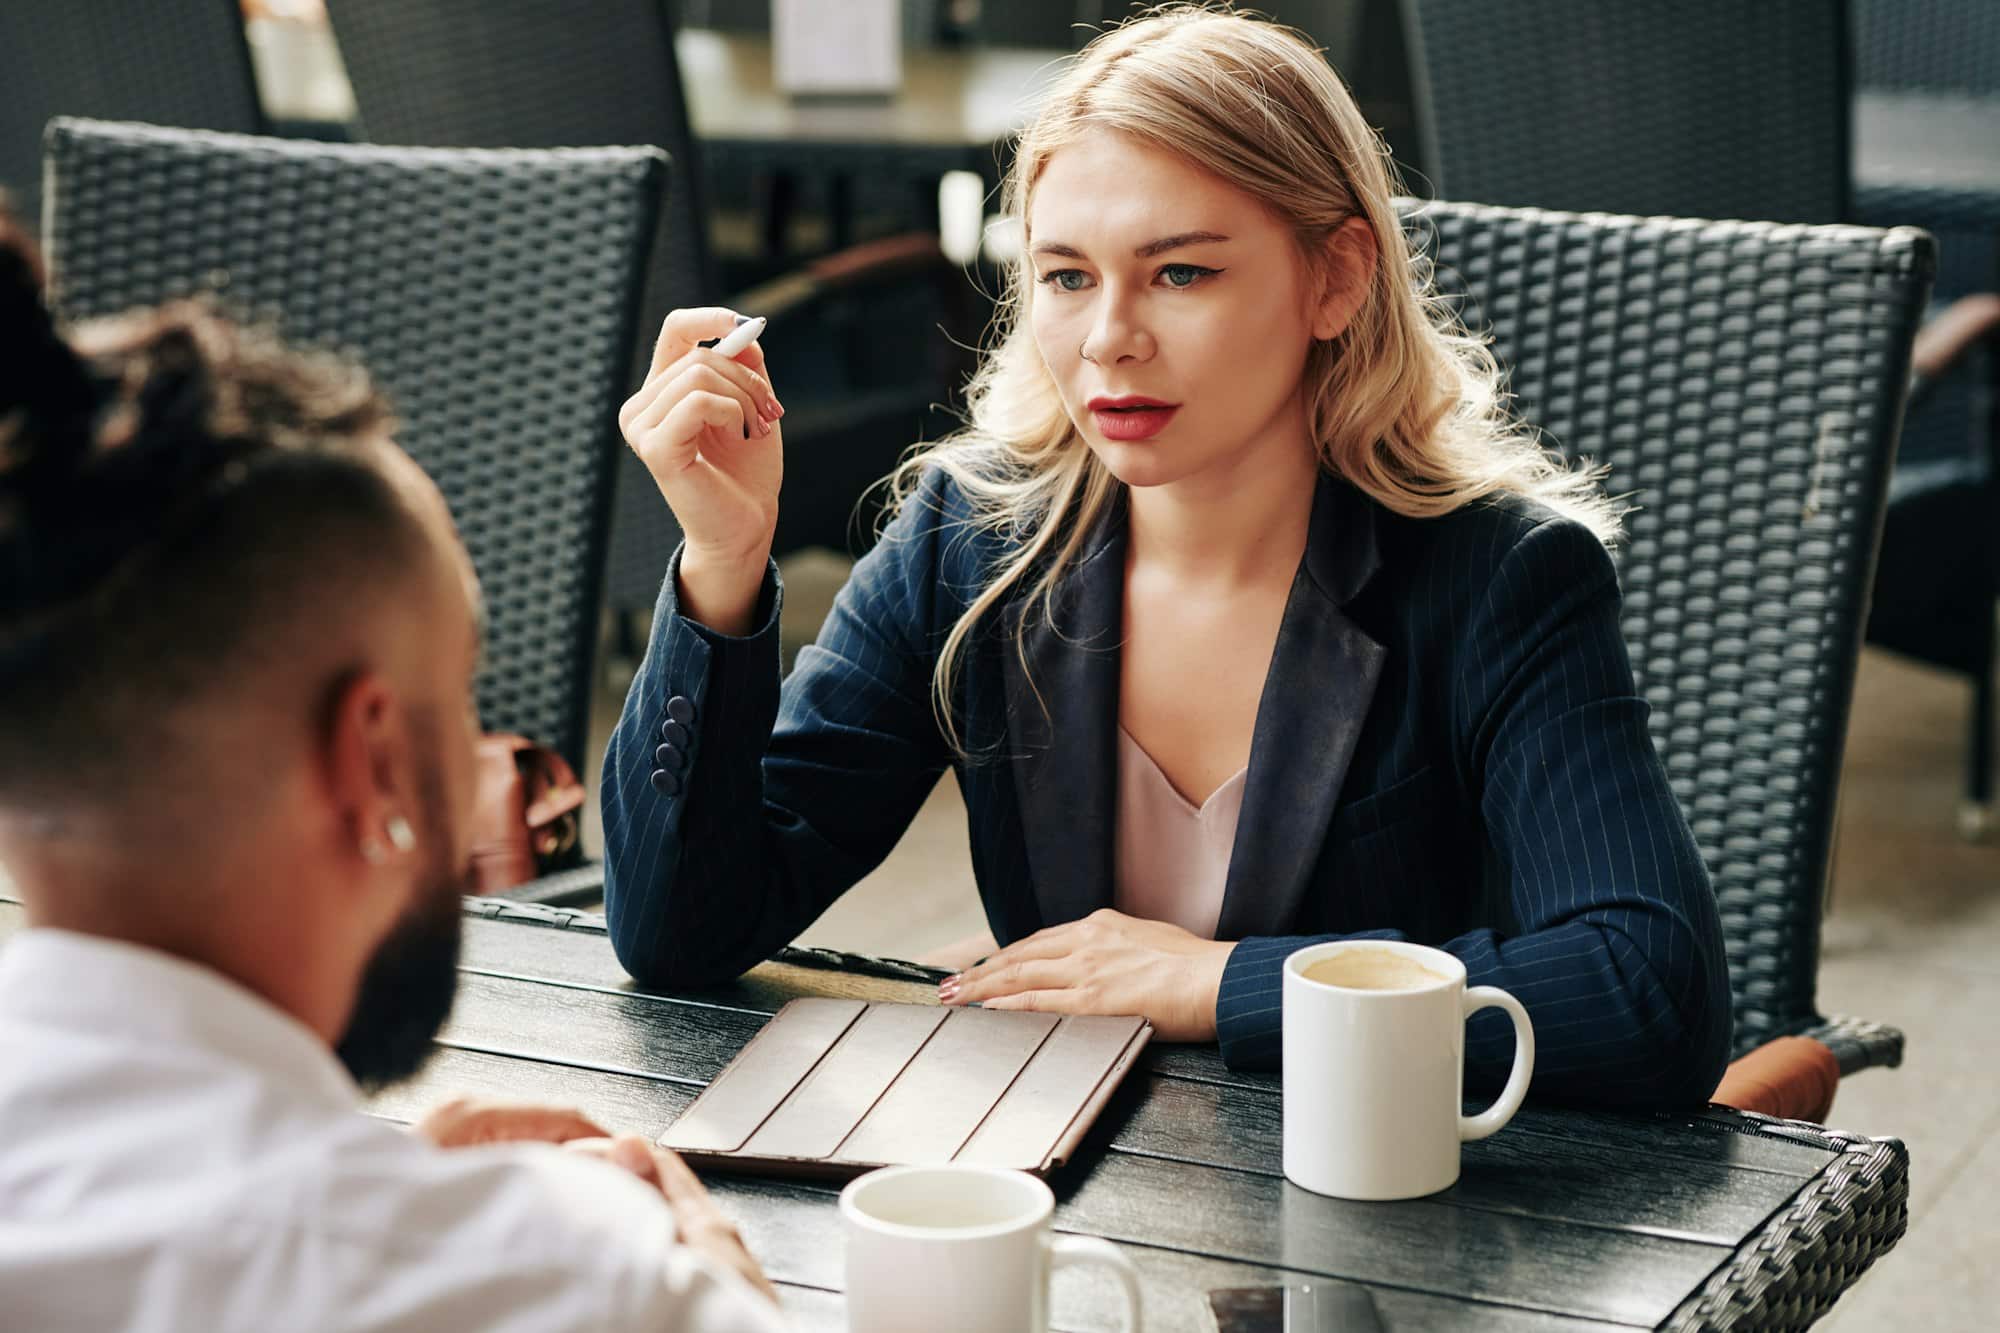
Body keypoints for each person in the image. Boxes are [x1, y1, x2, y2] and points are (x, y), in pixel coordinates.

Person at [601, 6, 1732, 1106]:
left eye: (1180, 273)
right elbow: (679, 932)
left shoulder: (1497, 576)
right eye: (1064, 275)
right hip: (1067, 1190)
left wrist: (1219, 981)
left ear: (1334, 278)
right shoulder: (970, 538)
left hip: (1374, 1214)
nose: (1107, 340)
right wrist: (724, 555)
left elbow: (1647, 994)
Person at [0, 212, 785, 1332]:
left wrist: (378, 1198)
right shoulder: (575, 1284)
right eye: (455, 696)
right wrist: (709, 1292)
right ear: (369, 758)